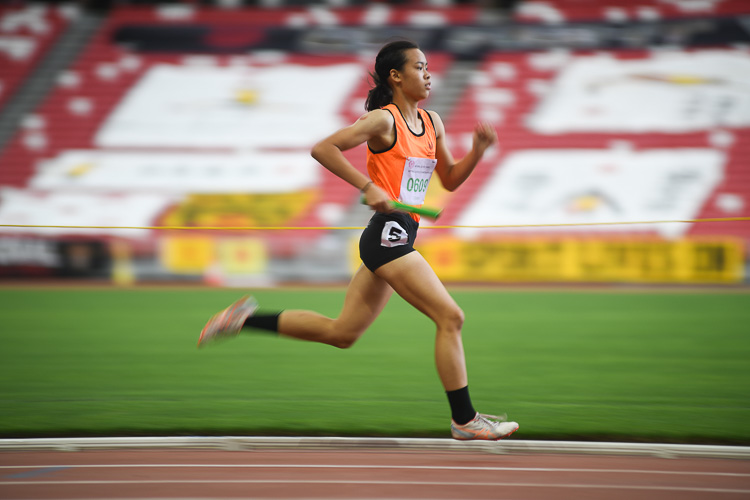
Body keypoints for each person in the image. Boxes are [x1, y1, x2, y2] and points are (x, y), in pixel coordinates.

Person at [198, 40, 519, 441]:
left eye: (428, 66)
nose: (429, 73)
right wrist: (367, 186)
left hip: (399, 232)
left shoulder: (432, 122)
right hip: (388, 235)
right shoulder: (383, 122)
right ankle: (464, 419)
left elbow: (450, 180)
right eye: (419, 67)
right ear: (396, 76)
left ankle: (245, 318)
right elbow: (324, 148)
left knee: (342, 334)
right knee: (450, 317)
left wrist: (478, 152)